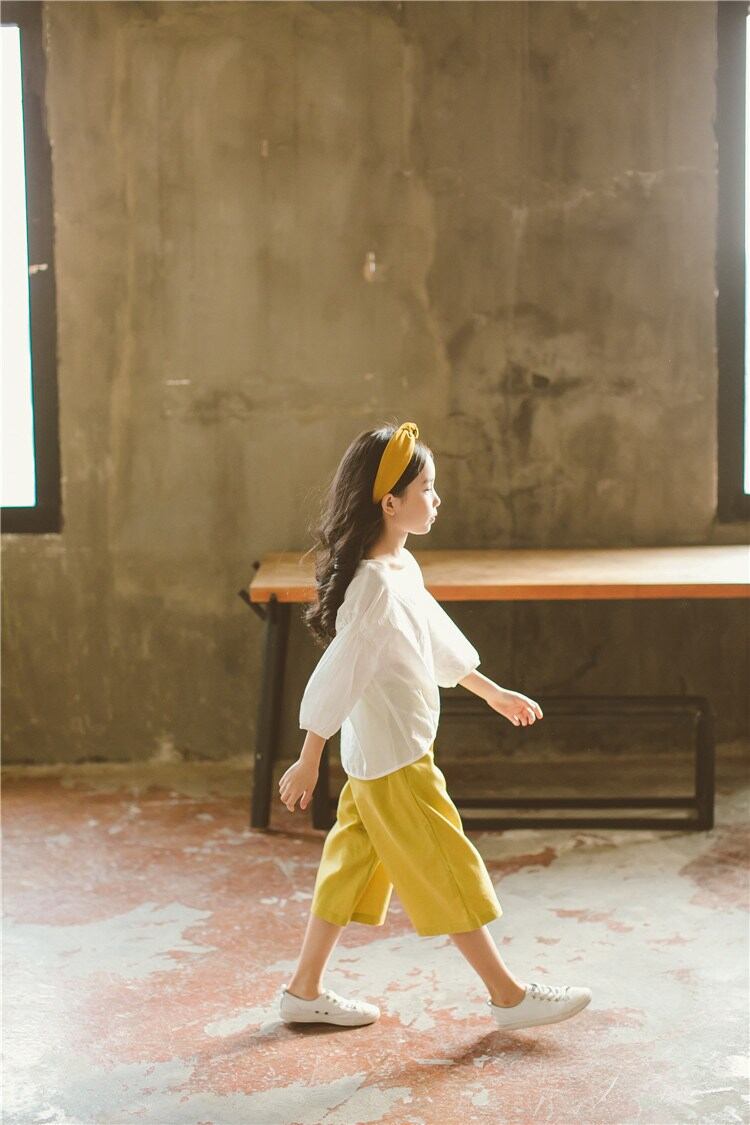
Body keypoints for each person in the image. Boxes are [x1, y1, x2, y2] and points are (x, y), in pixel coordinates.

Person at [277, 421, 592, 1032]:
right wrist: (310, 754)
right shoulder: (373, 588)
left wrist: (492, 691)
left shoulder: (399, 568)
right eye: (426, 487)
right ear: (389, 502)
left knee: (349, 868)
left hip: (377, 758)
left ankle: (303, 990)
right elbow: (338, 672)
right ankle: (509, 996)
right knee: (448, 866)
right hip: (397, 762)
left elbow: (436, 639)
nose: (437, 498)